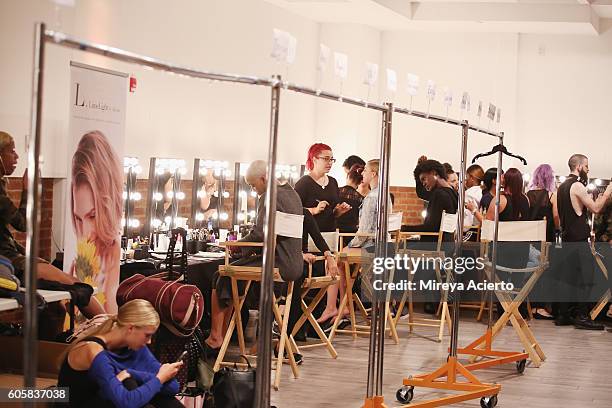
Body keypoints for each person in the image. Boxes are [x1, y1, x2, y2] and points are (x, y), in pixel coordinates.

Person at [0, 131, 104, 320]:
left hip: (12, 257)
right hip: (7, 261)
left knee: (55, 310)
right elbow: (23, 224)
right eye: (11, 151)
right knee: (77, 287)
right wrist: (28, 191)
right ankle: (112, 331)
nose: (16, 157)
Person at [204, 160, 304, 352]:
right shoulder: (293, 195)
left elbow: (259, 235)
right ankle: (224, 337)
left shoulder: (269, 197)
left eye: (253, 185)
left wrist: (236, 245)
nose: (253, 189)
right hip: (294, 264)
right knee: (233, 277)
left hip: (277, 264)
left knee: (222, 275)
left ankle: (217, 337)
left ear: (263, 179)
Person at [58, 299, 183, 408]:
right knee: (130, 384)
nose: (149, 341)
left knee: (156, 393)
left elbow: (172, 388)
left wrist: (133, 373)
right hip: (79, 404)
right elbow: (126, 403)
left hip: (111, 401)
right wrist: (160, 378)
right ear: (130, 328)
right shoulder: (93, 350)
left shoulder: (135, 347)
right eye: (147, 335)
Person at [555, 154, 611, 330]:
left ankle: (563, 315)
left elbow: (560, 214)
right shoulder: (577, 185)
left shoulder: (562, 186)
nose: (588, 170)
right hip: (578, 239)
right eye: (586, 166)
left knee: (569, 278)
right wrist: (607, 192)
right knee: (586, 278)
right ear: (578, 167)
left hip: (567, 238)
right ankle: (582, 316)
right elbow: (595, 208)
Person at [71, 130, 123, 313]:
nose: (85, 232)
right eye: (78, 218)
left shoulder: (111, 250)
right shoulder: (79, 258)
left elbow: (110, 309)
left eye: (92, 216)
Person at [295, 143, 352, 233]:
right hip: (310, 234)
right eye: (326, 159)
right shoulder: (304, 183)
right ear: (314, 159)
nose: (330, 163)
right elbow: (294, 211)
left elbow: (331, 213)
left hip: (330, 233)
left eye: (331, 159)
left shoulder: (333, 182)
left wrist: (338, 212)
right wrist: (314, 210)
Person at [526, 164, 558, 319]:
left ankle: (531, 306)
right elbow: (556, 217)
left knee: (531, 271)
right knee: (545, 271)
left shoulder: (527, 195)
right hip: (546, 238)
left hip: (530, 238)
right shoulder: (552, 195)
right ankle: (540, 307)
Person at [337, 164, 365, 233]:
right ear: (361, 181)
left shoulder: (335, 191)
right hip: (351, 234)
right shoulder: (361, 198)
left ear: (347, 176)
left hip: (335, 232)